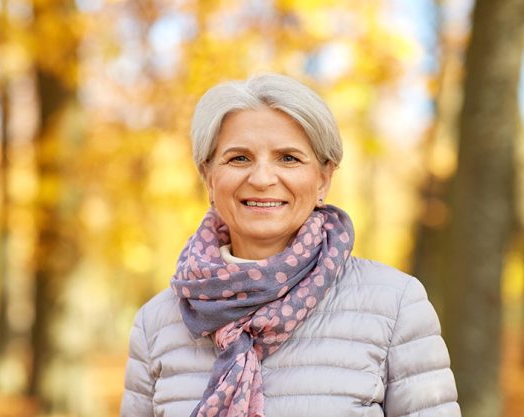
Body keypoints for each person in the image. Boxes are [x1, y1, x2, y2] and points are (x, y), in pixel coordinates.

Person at [120, 73, 460, 417]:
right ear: (208, 178)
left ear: (323, 179)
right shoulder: (156, 324)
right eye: (239, 158)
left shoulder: (394, 305)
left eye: (288, 158)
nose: (263, 178)